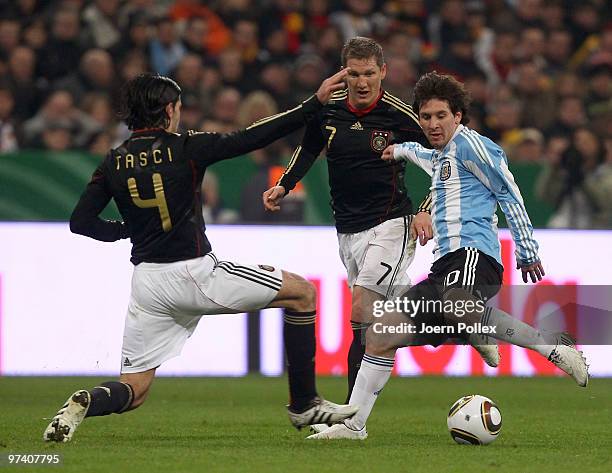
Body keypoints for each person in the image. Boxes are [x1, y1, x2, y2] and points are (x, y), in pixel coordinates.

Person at [43, 71, 358, 443]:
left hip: (147, 285)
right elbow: (253, 136)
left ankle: (86, 401)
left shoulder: (114, 160)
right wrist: (313, 104)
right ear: (169, 109)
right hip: (194, 274)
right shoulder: (186, 147)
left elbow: (81, 222)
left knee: (134, 389)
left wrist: (127, 229)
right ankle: (304, 403)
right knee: (302, 294)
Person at [309, 71, 589, 440]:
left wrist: (527, 249)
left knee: (458, 303)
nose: (432, 124)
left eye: (441, 115)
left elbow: (509, 193)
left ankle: (549, 345)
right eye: (425, 117)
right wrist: (400, 149)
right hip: (445, 267)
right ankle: (353, 425)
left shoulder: (474, 146)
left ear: (458, 116)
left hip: (473, 256)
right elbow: (422, 153)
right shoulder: (441, 154)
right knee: (380, 332)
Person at [263, 37, 498, 417]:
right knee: (382, 320)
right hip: (347, 231)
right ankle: (462, 325)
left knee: (361, 310)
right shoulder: (328, 113)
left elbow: (446, 160)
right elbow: (308, 149)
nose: (361, 81)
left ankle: (350, 416)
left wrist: (426, 209)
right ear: (344, 73)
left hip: (392, 223)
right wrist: (285, 183)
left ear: (383, 72)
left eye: (369, 73)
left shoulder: (401, 117)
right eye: (354, 73)